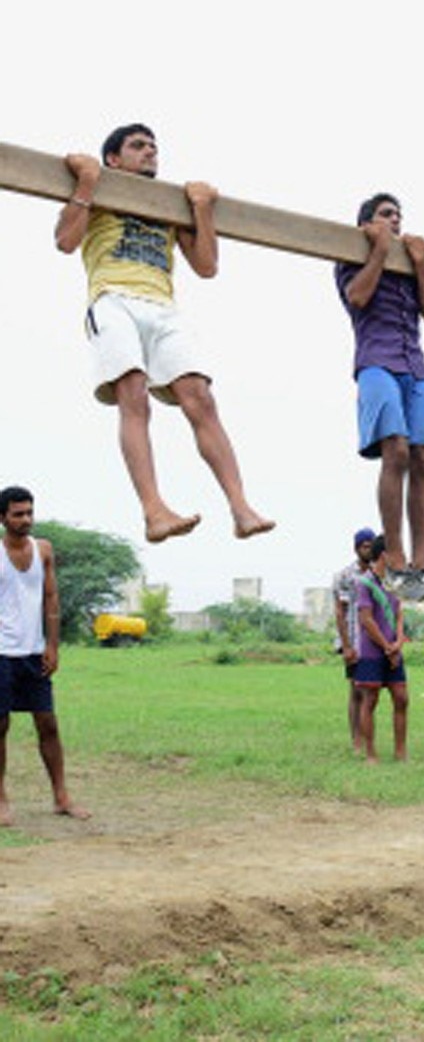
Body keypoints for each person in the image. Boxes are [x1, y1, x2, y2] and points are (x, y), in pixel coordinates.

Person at [54, 124, 274, 544]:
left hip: (163, 307)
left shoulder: (170, 203)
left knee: (201, 398)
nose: (150, 152)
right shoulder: (99, 186)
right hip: (112, 298)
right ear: (114, 159)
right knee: (133, 394)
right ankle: (154, 511)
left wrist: (202, 210)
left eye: (154, 147)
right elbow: (65, 241)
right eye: (138, 146)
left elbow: (207, 266)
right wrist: (85, 181)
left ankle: (240, 507)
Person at [335, 193, 424, 601]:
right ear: (366, 223)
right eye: (386, 215)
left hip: (415, 367)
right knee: (395, 449)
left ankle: (421, 562)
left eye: (399, 216)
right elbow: (359, 297)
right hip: (376, 362)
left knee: (421, 456)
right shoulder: (351, 256)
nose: (395, 221)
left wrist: (420, 264)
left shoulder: (408, 265)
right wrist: (379, 250)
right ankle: (395, 556)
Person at [0, 486, 89, 825]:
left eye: (29, 513)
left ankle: (61, 797)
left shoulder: (44, 550)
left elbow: (51, 598)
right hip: (2, 654)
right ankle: (2, 799)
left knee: (48, 723)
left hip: (34, 651)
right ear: (2, 517)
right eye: (17, 514)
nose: (25, 519)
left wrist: (53, 645)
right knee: (0, 726)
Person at [353, 536, 408, 762]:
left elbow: (399, 614)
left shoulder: (395, 583)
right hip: (372, 651)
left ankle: (400, 751)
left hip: (394, 650)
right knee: (371, 699)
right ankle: (370, 753)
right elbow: (366, 620)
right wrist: (387, 646)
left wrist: (399, 641)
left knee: (401, 697)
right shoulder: (363, 583)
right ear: (385, 554)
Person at [332, 527, 375, 753]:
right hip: (354, 640)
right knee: (357, 690)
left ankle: (368, 738)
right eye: (365, 546)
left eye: (372, 545)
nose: (369, 550)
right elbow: (341, 612)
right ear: (357, 548)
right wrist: (347, 646)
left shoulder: (380, 574)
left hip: (375, 640)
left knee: (372, 691)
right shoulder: (346, 576)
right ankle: (356, 740)